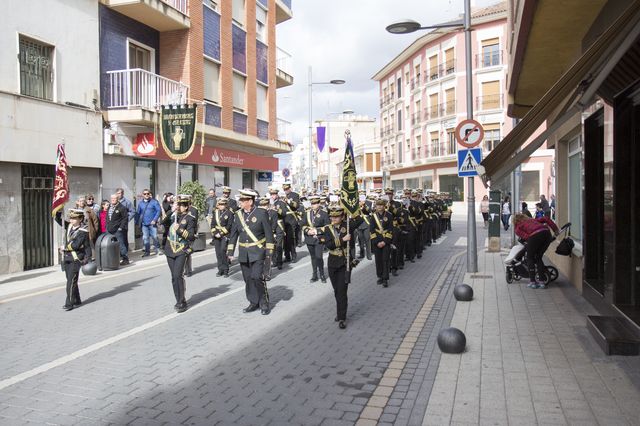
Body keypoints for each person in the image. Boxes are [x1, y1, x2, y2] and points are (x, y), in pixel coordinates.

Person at [227, 189, 275, 315]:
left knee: (257, 277)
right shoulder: (238, 215)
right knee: (248, 279)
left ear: (250, 201)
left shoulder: (261, 213)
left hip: (258, 251)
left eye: (243, 200)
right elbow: (233, 234)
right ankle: (253, 302)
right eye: (240, 200)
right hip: (243, 252)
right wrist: (230, 252)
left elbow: (269, 234)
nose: (240, 202)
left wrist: (269, 253)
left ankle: (264, 303)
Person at [317, 206, 362, 329]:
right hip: (332, 263)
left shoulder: (347, 226)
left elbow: (360, 220)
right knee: (337, 290)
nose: (333, 218)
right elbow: (330, 245)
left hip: (345, 262)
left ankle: (342, 317)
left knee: (342, 291)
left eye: (336, 216)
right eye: (332, 216)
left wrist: (352, 207)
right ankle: (339, 312)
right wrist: (343, 239)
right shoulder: (327, 229)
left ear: (342, 217)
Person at [162, 195, 197, 313]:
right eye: (178, 204)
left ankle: (181, 301)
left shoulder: (190, 218)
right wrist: (171, 211)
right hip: (169, 249)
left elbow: (192, 236)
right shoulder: (173, 216)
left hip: (181, 250)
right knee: (173, 277)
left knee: (178, 275)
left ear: (186, 206)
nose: (179, 207)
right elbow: (163, 222)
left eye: (181, 205)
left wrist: (180, 230)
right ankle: (178, 298)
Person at [55, 209, 92, 311]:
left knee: (71, 281)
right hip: (67, 257)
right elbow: (58, 220)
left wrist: (64, 248)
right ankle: (77, 299)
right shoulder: (70, 226)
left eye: (74, 218)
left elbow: (75, 245)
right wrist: (58, 210)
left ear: (80, 219)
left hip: (76, 258)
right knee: (71, 280)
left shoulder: (83, 231)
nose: (71, 220)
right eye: (70, 218)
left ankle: (69, 303)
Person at [513, 213, 559, 289]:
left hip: (534, 235)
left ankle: (533, 282)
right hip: (547, 234)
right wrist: (555, 229)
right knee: (538, 257)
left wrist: (530, 244)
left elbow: (526, 237)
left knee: (530, 258)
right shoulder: (532, 220)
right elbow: (546, 218)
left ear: (515, 221)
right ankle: (542, 282)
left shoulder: (518, 227)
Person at [300, 194, 330, 283]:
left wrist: (317, 231)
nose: (314, 205)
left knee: (319, 257)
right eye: (312, 203)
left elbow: (328, 226)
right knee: (313, 257)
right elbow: (302, 224)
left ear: (319, 203)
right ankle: (314, 275)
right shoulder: (307, 213)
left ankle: (322, 274)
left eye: (316, 203)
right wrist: (307, 231)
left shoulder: (324, 213)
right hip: (309, 238)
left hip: (319, 238)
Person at [370, 198, 394, 287]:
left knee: (385, 260)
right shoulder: (373, 216)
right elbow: (371, 230)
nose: (379, 207)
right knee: (378, 260)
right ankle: (380, 276)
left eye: (381, 205)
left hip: (386, 241)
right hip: (377, 241)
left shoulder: (389, 215)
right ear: (376, 206)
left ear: (384, 206)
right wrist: (377, 242)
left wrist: (385, 242)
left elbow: (391, 229)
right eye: (378, 205)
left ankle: (385, 278)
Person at [210, 198, 234, 277]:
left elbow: (229, 226)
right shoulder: (216, 212)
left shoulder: (229, 213)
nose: (221, 206)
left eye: (223, 204)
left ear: (226, 205)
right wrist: (215, 233)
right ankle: (220, 269)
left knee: (223, 251)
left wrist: (220, 233)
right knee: (218, 253)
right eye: (220, 204)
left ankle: (226, 269)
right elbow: (212, 224)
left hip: (225, 235)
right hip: (216, 235)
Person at [135, 189, 162, 257]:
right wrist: (136, 222)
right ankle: (147, 252)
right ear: (142, 195)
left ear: (150, 194)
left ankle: (158, 249)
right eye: (144, 194)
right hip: (144, 224)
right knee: (145, 238)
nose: (146, 195)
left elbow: (159, 211)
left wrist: (155, 220)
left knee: (155, 237)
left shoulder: (154, 202)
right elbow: (138, 213)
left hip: (152, 223)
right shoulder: (140, 203)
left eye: (147, 193)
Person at [106, 194, 130, 265]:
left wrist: (121, 227)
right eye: (112, 198)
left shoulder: (122, 207)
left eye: (114, 199)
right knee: (111, 245)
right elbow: (108, 217)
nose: (113, 200)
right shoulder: (109, 207)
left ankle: (125, 259)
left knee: (121, 244)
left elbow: (125, 218)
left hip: (117, 230)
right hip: (109, 229)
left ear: (118, 199)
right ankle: (114, 259)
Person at [115, 188, 134, 262]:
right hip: (115, 224)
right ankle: (119, 255)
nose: (120, 194)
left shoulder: (127, 202)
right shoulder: (114, 202)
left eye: (121, 193)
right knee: (117, 239)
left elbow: (132, 212)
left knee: (124, 239)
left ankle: (125, 256)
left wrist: (126, 220)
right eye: (118, 193)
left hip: (123, 225)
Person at [282, 183, 299, 263]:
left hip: (291, 219)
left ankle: (294, 256)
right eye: (284, 189)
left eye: (287, 189)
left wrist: (288, 201)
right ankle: (287, 256)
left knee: (291, 239)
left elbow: (296, 205)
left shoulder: (295, 195)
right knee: (284, 240)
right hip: (283, 220)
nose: (286, 191)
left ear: (290, 188)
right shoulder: (282, 196)